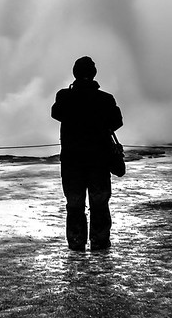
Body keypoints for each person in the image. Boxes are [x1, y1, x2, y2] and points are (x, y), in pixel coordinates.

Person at [51, 56, 123, 251]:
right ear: (93, 74)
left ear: (75, 73)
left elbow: (55, 113)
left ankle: (76, 242)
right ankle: (99, 242)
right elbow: (117, 122)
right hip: (99, 160)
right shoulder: (105, 99)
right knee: (99, 203)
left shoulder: (65, 96)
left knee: (74, 204)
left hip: (72, 161)